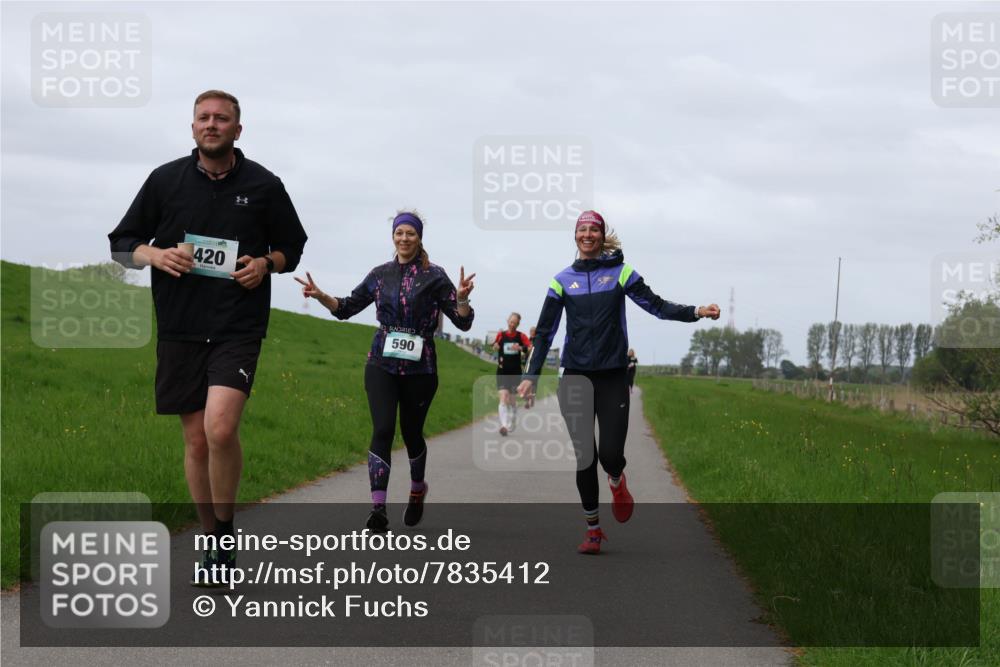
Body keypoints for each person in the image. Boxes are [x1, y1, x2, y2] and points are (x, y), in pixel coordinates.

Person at [108, 90, 308, 584]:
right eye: (204, 118)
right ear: (192, 127)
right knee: (196, 442)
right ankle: (215, 543)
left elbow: (292, 247)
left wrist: (266, 263)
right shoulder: (164, 181)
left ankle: (223, 531)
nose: (212, 124)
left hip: (237, 326)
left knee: (220, 429)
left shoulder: (264, 185)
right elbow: (121, 243)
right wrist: (155, 255)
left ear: (239, 129)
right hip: (179, 326)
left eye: (222, 118)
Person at [517, 210, 719, 554]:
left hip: (613, 375)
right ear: (575, 236)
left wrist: (695, 311)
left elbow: (656, 306)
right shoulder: (561, 280)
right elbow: (546, 331)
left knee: (610, 454)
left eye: (593, 230)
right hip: (576, 378)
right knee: (584, 457)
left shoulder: (621, 273)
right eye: (581, 230)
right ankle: (593, 530)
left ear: (601, 235)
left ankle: (616, 480)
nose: (587, 235)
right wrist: (530, 377)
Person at [296, 211, 475, 532]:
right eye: (399, 233)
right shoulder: (380, 274)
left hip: (422, 368)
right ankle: (378, 508)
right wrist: (321, 295)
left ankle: (417, 488)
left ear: (419, 238)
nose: (404, 238)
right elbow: (347, 307)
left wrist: (461, 299)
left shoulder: (435, 276)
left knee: (411, 433)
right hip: (381, 362)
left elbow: (462, 321)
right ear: (393, 237)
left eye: (410, 233)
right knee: (382, 430)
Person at [492, 313, 531, 435]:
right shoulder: (501, 335)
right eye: (510, 321)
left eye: (515, 322)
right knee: (503, 397)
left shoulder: (521, 336)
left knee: (512, 401)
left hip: (515, 372)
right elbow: (495, 345)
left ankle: (512, 422)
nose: (512, 324)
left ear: (518, 324)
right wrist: (496, 346)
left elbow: (530, 347)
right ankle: (504, 426)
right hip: (502, 371)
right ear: (507, 321)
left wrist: (520, 348)